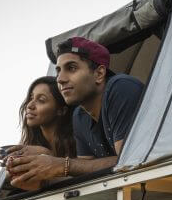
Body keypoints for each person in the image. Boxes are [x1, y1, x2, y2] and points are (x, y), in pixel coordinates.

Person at [9, 37, 144, 190]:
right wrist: (37, 178)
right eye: (58, 70)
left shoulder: (120, 88)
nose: (60, 79)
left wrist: (62, 164)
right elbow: (83, 170)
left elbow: (130, 161)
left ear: (99, 73)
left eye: (71, 68)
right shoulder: (80, 116)